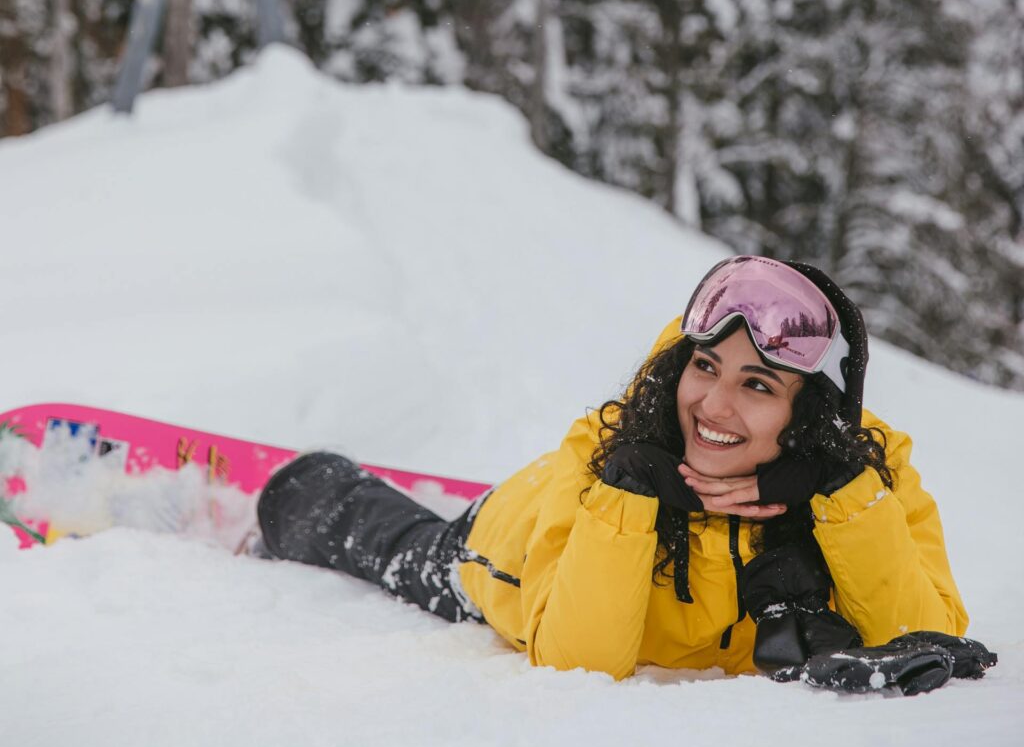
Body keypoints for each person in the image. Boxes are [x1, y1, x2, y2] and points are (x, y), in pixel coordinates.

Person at [255, 255, 976, 687]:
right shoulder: (612, 455)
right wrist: (630, 494)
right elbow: (578, 664)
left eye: (758, 385)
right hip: (514, 551)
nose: (713, 405)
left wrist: (833, 498)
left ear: (810, 419)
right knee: (406, 549)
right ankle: (307, 482)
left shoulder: (869, 475)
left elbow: (927, 635)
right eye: (705, 366)